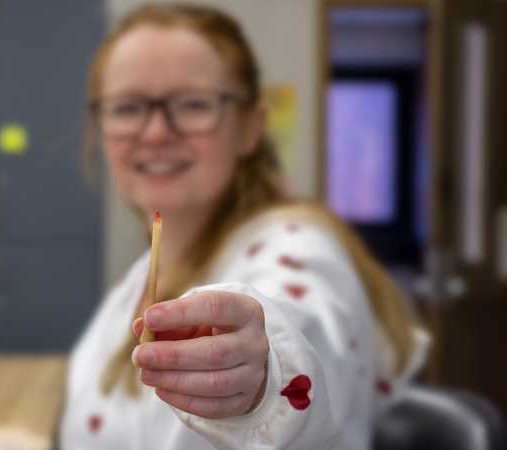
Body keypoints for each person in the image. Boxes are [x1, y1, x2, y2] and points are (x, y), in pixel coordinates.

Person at [59, 3, 429, 449]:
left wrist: (261, 378)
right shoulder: (139, 279)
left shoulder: (297, 246)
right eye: (127, 107)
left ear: (251, 126)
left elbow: (305, 324)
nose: (155, 131)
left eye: (193, 104)